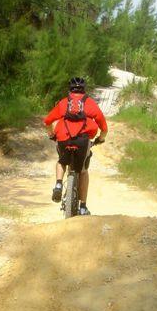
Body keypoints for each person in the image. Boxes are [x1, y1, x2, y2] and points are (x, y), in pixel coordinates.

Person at [43, 77, 108, 215]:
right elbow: (104, 127)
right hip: (82, 141)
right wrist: (100, 139)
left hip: (63, 139)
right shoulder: (90, 103)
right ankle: (83, 207)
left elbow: (48, 121)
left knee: (61, 161)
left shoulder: (64, 102)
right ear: (84, 90)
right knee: (83, 171)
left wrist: (51, 135)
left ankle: (59, 184)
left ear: (70, 90)